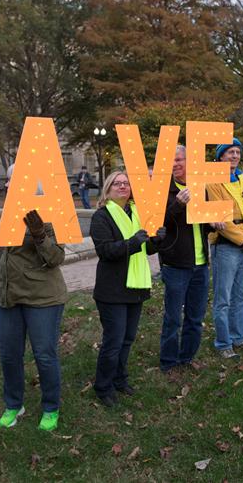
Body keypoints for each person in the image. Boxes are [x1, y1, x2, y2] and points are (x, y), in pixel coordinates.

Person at [0, 160, 67, 431]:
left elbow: (56, 257)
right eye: (8, 180)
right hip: (7, 296)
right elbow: (6, 253)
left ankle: (51, 407)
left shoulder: (50, 210)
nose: (7, 184)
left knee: (44, 355)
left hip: (42, 298)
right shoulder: (7, 212)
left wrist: (40, 233)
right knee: (9, 354)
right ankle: (13, 404)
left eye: (13, 180)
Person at [90, 170, 165, 406]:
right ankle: (103, 387)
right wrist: (133, 242)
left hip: (135, 286)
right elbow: (106, 251)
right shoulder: (101, 217)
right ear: (108, 189)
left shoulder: (136, 213)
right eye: (117, 183)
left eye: (126, 183)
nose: (123, 186)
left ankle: (120, 379)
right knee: (113, 341)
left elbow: (146, 249)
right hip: (112, 289)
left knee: (127, 339)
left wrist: (156, 241)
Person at [156, 146, 213, 372]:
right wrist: (178, 204)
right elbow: (160, 223)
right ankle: (168, 363)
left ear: (190, 161)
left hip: (201, 264)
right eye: (171, 161)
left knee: (195, 317)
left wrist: (213, 222)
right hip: (176, 264)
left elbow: (203, 223)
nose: (175, 164)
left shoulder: (200, 188)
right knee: (173, 318)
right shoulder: (163, 190)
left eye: (179, 159)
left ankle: (187, 357)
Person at [206, 138, 243, 359]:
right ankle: (223, 342)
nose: (235, 156)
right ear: (220, 157)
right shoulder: (213, 182)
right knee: (223, 298)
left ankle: (239, 338)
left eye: (237, 152)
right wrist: (242, 239)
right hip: (227, 246)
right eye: (230, 152)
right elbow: (221, 218)